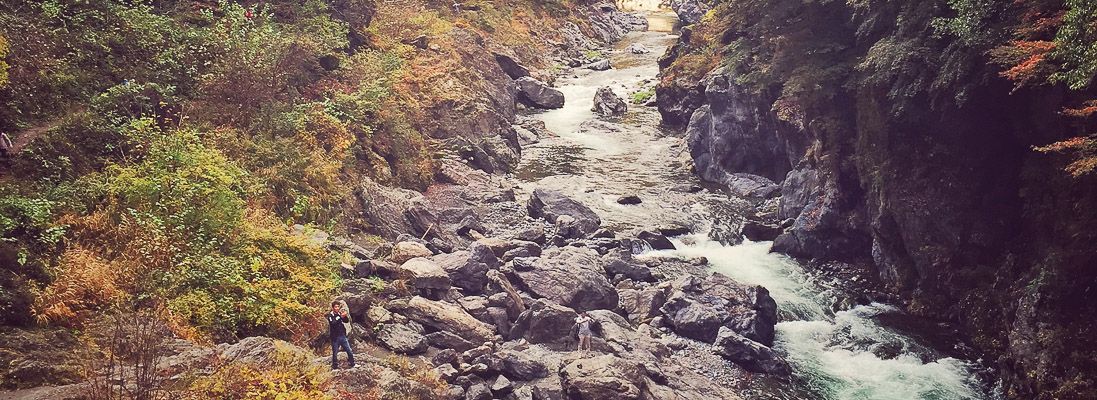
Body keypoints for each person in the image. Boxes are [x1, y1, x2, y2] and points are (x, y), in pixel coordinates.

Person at [328, 301, 355, 369]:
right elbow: (333, 323)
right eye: (335, 307)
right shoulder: (330, 316)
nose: (337, 308)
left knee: (349, 351)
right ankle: (335, 367)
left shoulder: (339, 314)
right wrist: (340, 316)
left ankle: (352, 364)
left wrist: (344, 316)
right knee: (335, 353)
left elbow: (346, 321)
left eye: (338, 307)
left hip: (342, 336)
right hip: (335, 338)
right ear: (333, 308)